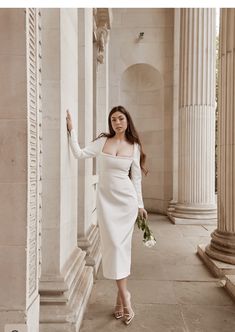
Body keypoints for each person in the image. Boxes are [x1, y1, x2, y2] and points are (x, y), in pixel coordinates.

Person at [66, 105, 148, 325]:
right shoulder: (102, 141)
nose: (117, 122)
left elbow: (136, 178)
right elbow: (79, 153)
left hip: (126, 202)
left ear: (127, 121)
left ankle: (123, 300)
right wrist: (71, 131)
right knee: (112, 248)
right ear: (110, 123)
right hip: (106, 203)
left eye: (120, 118)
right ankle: (124, 297)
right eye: (113, 120)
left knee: (121, 249)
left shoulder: (134, 145)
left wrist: (140, 204)